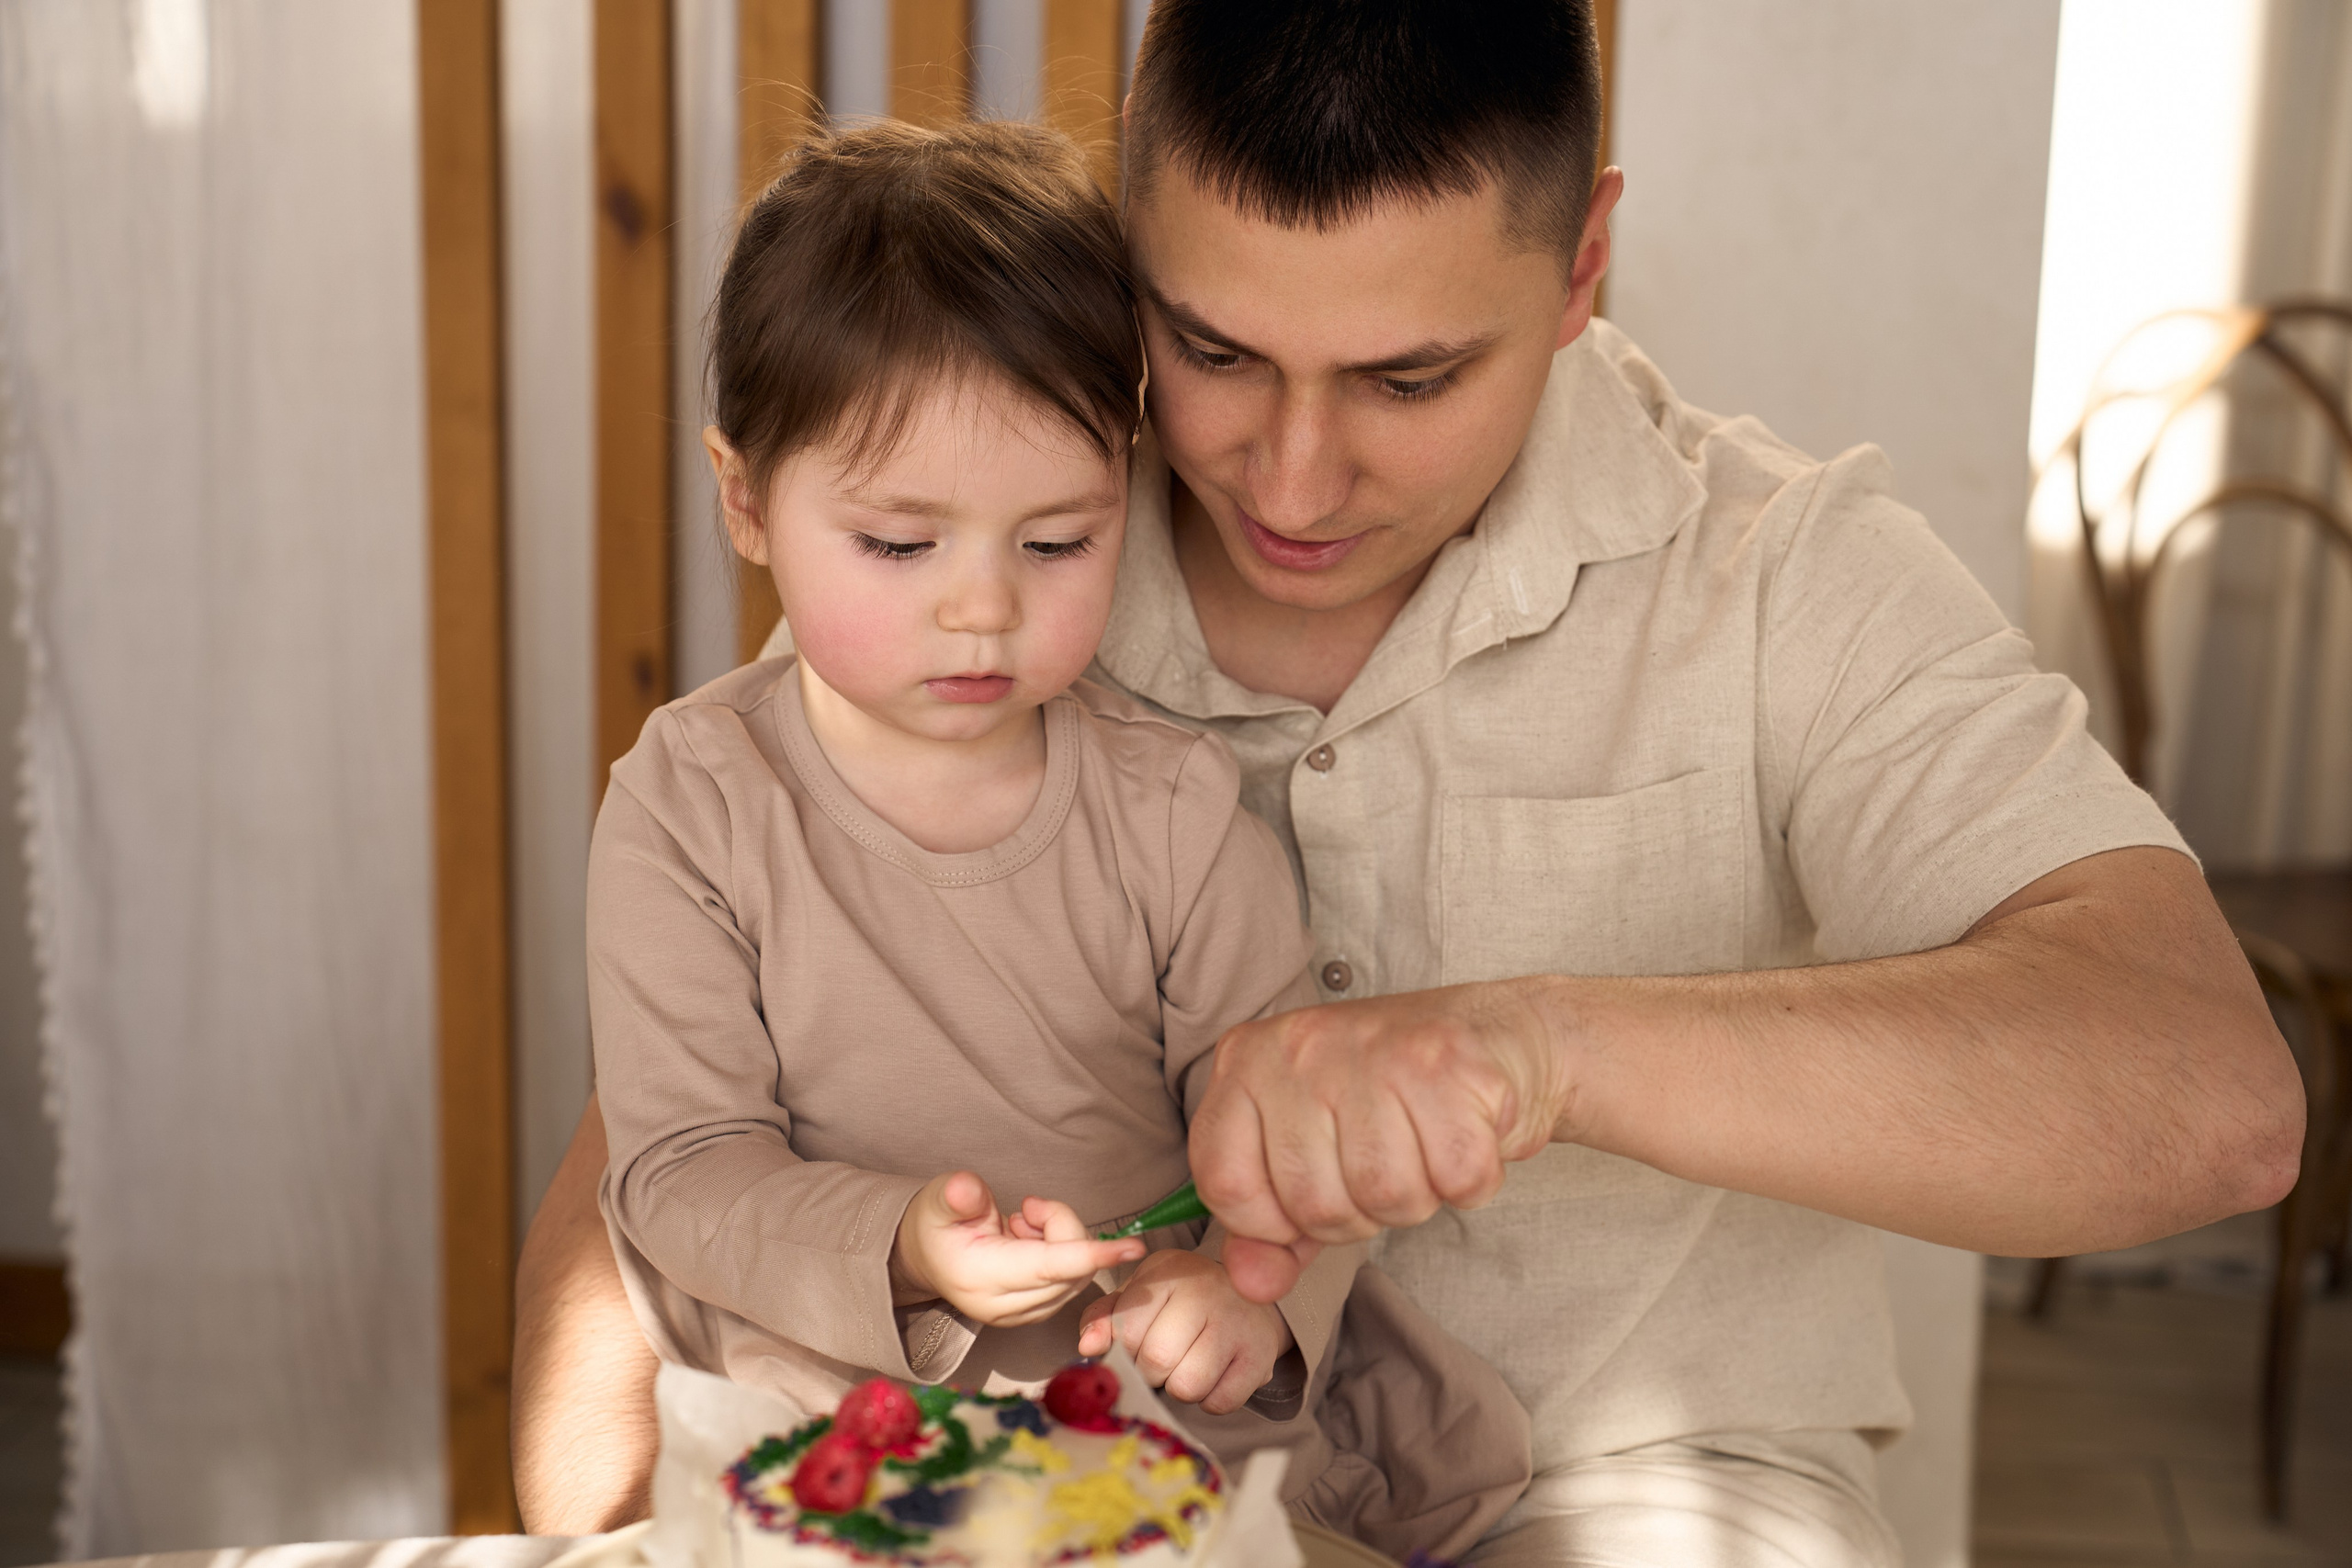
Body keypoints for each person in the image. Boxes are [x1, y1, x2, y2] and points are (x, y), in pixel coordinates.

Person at [515, 3, 2306, 1562]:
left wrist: (1545, 1051)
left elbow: (2206, 1094)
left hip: (1625, 1473)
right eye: (1213, 349)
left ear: (1581, 264)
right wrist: (613, 1523)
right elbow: (667, 1150)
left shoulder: (1780, 575)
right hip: (1074, 1461)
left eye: (1408, 374)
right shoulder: (998, 540)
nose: (1290, 475)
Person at [584, 116, 1528, 1560]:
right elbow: (684, 1169)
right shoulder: (690, 804)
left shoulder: (1167, 807)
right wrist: (904, 1246)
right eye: (901, 547)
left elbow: (1291, 1125)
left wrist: (1246, 1290)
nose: (983, 607)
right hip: (834, 1422)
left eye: (1059, 541)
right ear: (748, 502)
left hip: (1157, 1428)